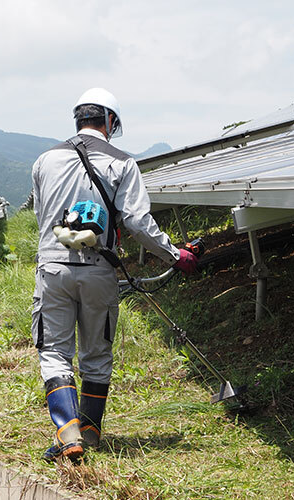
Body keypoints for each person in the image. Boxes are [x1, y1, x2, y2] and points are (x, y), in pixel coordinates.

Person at [31, 88, 198, 462]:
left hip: (53, 267)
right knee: (96, 353)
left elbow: (43, 217)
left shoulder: (44, 160)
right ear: (110, 121)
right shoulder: (123, 163)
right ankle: (89, 433)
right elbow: (137, 221)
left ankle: (66, 432)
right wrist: (175, 254)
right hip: (99, 271)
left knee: (55, 352)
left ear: (79, 119)